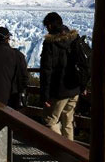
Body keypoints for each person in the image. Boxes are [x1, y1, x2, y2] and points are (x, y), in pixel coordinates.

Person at [40, 12, 81, 140]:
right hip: (74, 88)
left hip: (59, 90)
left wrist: (45, 94)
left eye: (47, 26)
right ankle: (71, 153)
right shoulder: (74, 38)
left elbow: (46, 70)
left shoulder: (50, 43)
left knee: (50, 120)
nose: (46, 29)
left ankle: (60, 150)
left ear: (51, 25)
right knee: (68, 122)